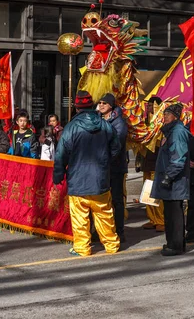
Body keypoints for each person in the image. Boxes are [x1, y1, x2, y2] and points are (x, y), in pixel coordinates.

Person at [53, 90, 121, 256]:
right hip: (100, 179)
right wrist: (105, 162)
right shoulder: (105, 125)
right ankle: (112, 245)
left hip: (78, 179)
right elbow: (116, 147)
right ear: (92, 106)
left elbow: (61, 154)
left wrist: (58, 176)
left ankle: (83, 248)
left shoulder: (71, 128)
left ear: (76, 108)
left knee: (80, 217)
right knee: (104, 213)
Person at [151, 103, 191, 256]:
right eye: (164, 114)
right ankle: (172, 243)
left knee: (174, 214)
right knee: (169, 213)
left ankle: (176, 245)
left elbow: (178, 158)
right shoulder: (171, 131)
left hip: (175, 181)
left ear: (175, 116)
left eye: (167, 114)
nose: (164, 117)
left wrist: (168, 176)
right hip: (171, 180)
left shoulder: (178, 132)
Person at [98, 93, 129, 242]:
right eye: (100, 103)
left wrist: (106, 158)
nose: (101, 105)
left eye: (104, 103)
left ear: (111, 105)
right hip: (101, 166)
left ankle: (120, 230)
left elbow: (117, 145)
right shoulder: (97, 119)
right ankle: (103, 230)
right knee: (100, 199)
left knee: (116, 200)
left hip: (115, 167)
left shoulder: (119, 123)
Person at [137, 96, 165, 231]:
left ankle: (161, 220)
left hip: (157, 163)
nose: (148, 110)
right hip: (147, 162)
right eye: (147, 107)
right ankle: (152, 218)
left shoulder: (161, 124)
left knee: (156, 192)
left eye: (151, 107)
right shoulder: (145, 124)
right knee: (146, 192)